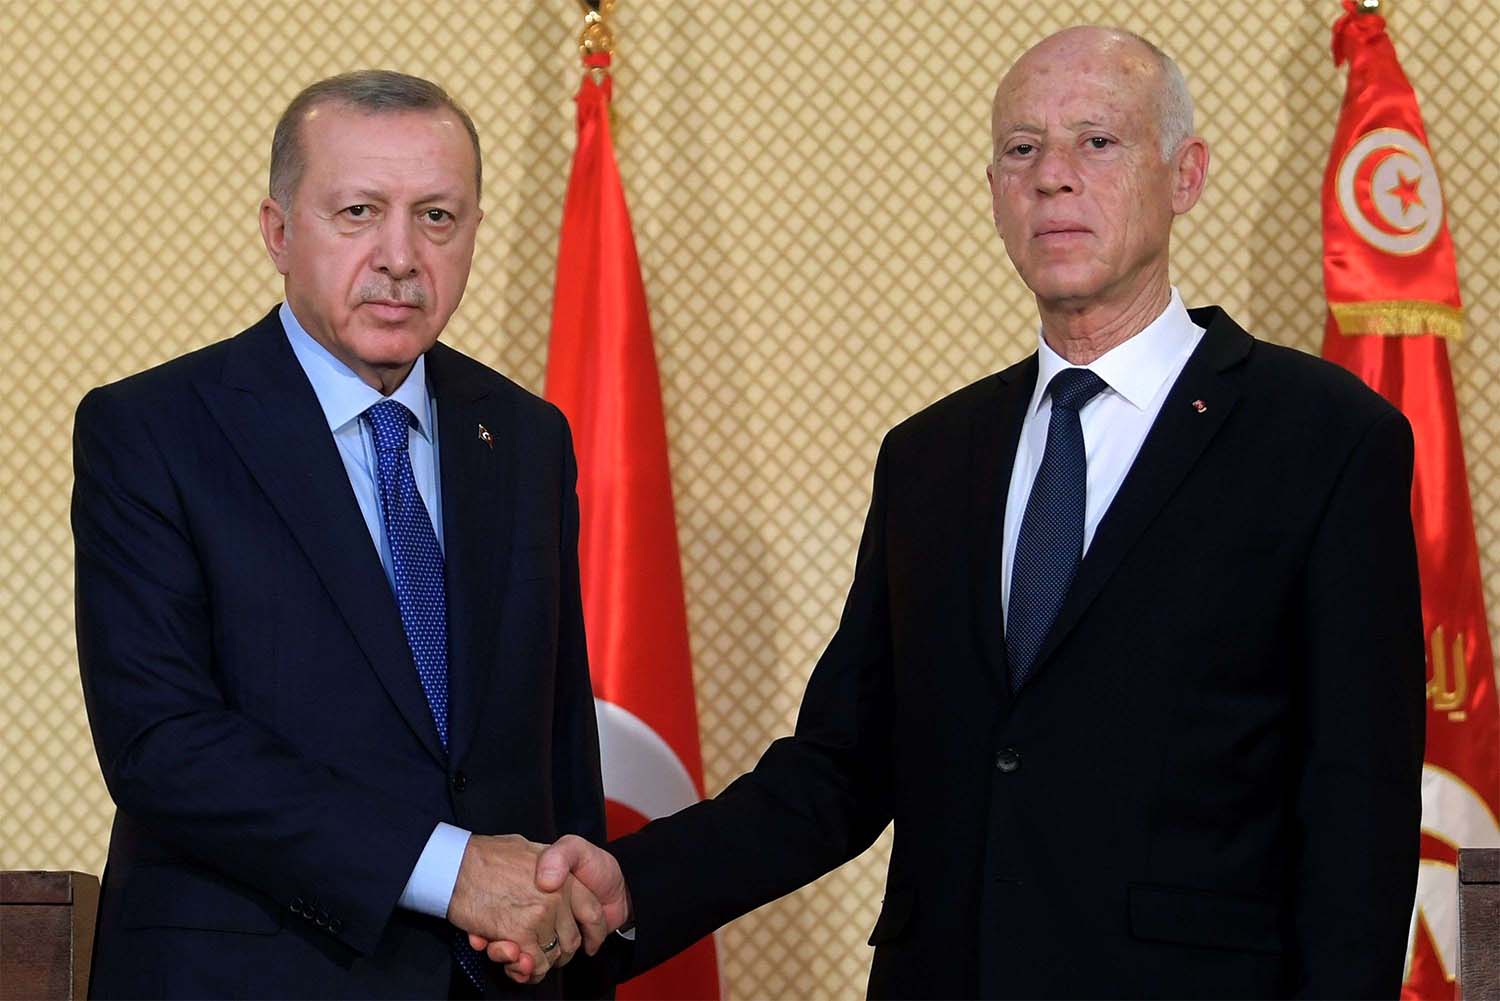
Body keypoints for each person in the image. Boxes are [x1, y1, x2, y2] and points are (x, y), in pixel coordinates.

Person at [500, 25, 1427, 998]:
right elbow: (843, 764)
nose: (1053, 177)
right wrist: (629, 880)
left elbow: (1356, 804)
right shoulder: (931, 457)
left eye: (1097, 142)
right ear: (993, 190)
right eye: (1022, 149)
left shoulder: (1320, 435)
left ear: (1184, 174)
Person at [73, 70, 613, 998]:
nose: (400, 255)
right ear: (279, 232)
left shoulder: (526, 436)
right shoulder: (154, 428)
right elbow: (163, 743)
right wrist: (452, 871)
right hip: (251, 975)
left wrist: (560, 927)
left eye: (438, 217)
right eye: (359, 211)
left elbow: (558, 741)